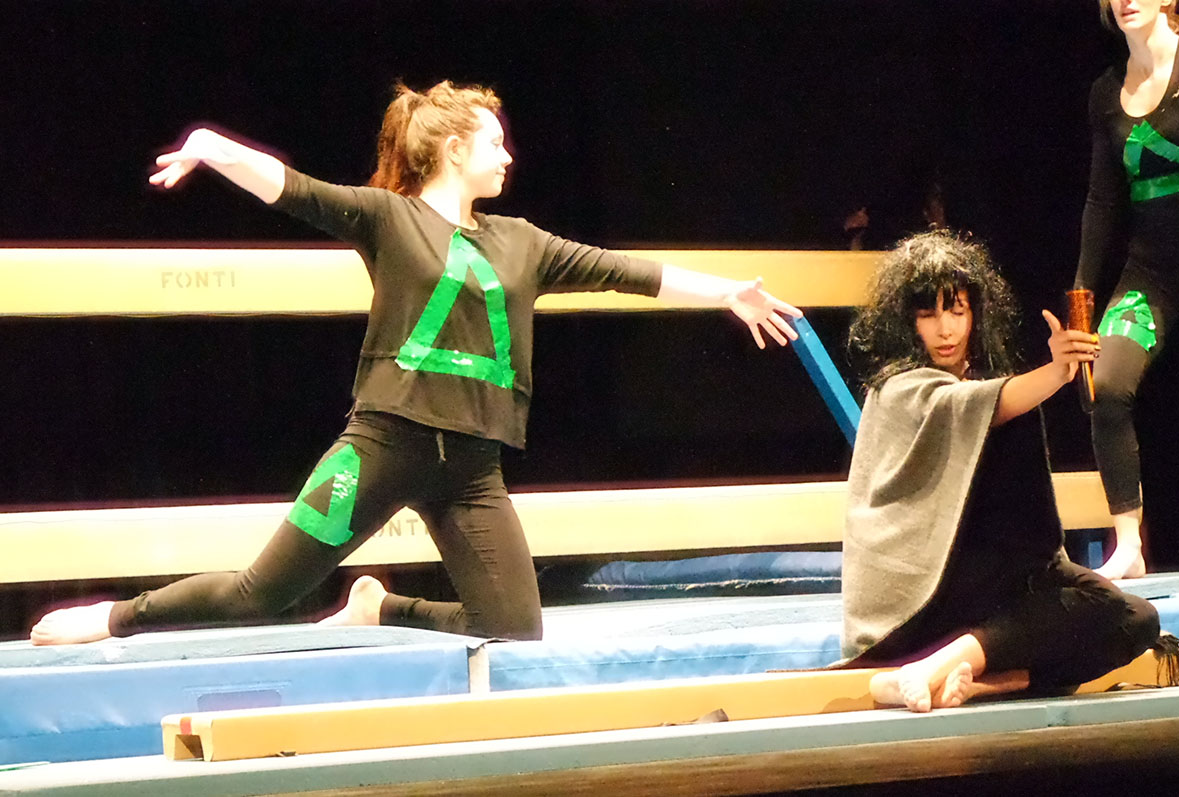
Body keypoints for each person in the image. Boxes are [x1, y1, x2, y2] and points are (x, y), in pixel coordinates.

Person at [30, 80, 803, 646]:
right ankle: (114, 617)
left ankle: (381, 606)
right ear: (454, 149)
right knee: (262, 592)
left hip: (471, 468)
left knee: (514, 627)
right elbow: (294, 190)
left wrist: (727, 292)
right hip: (382, 447)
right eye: (495, 142)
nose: (508, 155)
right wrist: (212, 146)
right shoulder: (389, 219)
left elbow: (625, 271)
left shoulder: (523, 242)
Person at [841, 231, 1160, 713]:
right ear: (906, 322)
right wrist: (1058, 371)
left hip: (994, 583)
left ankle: (978, 684)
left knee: (1134, 618)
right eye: (929, 315)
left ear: (976, 314)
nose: (945, 329)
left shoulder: (980, 381)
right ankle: (926, 669)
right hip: (925, 598)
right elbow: (985, 403)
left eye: (957, 311)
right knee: (1082, 609)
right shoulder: (897, 390)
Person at [1076, 0, 1179, 580]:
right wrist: (1082, 295)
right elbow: (1103, 200)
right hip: (1152, 273)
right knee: (1103, 385)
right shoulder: (1106, 93)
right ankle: (1129, 545)